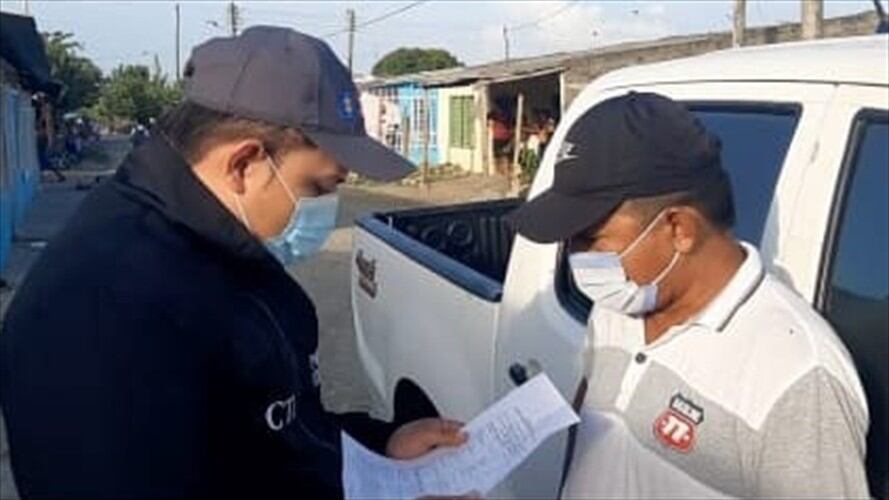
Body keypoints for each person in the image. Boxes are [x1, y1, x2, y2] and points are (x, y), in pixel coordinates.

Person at [0, 27, 465, 498]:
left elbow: (274, 433)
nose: (329, 206)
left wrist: (379, 445)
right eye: (319, 188)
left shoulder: (220, 243)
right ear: (244, 164)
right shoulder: (103, 311)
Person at [507, 92, 870, 498]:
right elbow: (588, 423)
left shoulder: (797, 378)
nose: (575, 257)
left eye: (590, 239)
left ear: (679, 229)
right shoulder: (620, 303)